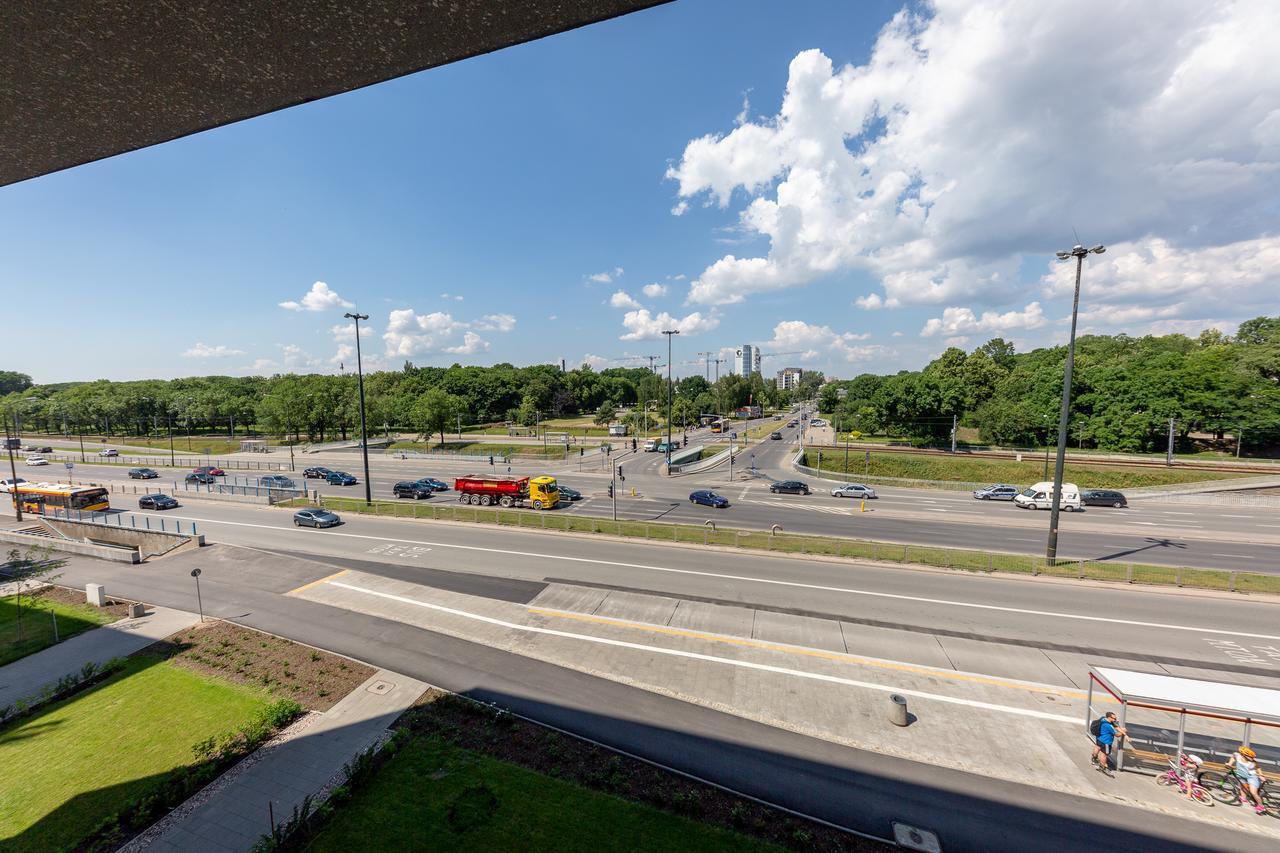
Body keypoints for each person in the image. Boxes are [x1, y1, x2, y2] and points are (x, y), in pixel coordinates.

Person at [1227, 745, 1266, 814]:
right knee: (1243, 787)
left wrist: (1261, 775)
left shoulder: (1252, 762)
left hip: (1251, 777)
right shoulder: (1237, 756)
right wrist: (1230, 763)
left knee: (1253, 792)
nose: (1252, 758)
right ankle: (1243, 799)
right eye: (1250, 757)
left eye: (1252, 757)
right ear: (1243, 755)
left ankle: (1261, 806)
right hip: (1241, 775)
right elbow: (1233, 756)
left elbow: (1258, 768)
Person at [1090, 711, 1126, 776]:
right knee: (1104, 754)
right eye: (1114, 718)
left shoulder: (1102, 719)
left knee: (1097, 747)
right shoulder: (1109, 726)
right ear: (1109, 717)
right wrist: (1123, 732)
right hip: (1106, 742)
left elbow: (1115, 726)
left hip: (1099, 738)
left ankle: (1094, 759)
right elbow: (1117, 734)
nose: (1115, 720)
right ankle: (1102, 767)